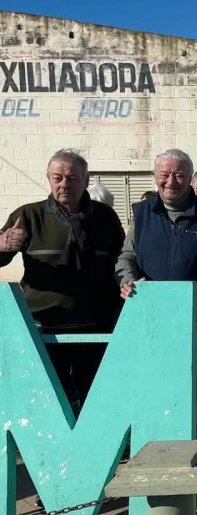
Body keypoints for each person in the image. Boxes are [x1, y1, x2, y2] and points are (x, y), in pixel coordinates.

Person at [116, 148, 197, 442]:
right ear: (155, 178)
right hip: (152, 324)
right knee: (155, 390)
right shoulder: (142, 215)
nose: (171, 181)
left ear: (189, 179)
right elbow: (126, 257)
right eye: (164, 175)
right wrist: (128, 281)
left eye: (179, 175)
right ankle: (157, 453)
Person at [0, 149, 124, 412]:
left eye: (72, 178)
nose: (64, 184)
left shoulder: (105, 217)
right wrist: (3, 247)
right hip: (44, 325)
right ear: (48, 179)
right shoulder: (28, 215)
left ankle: (95, 446)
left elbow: (122, 260)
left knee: (93, 393)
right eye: (57, 178)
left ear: (86, 179)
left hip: (95, 324)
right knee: (50, 395)